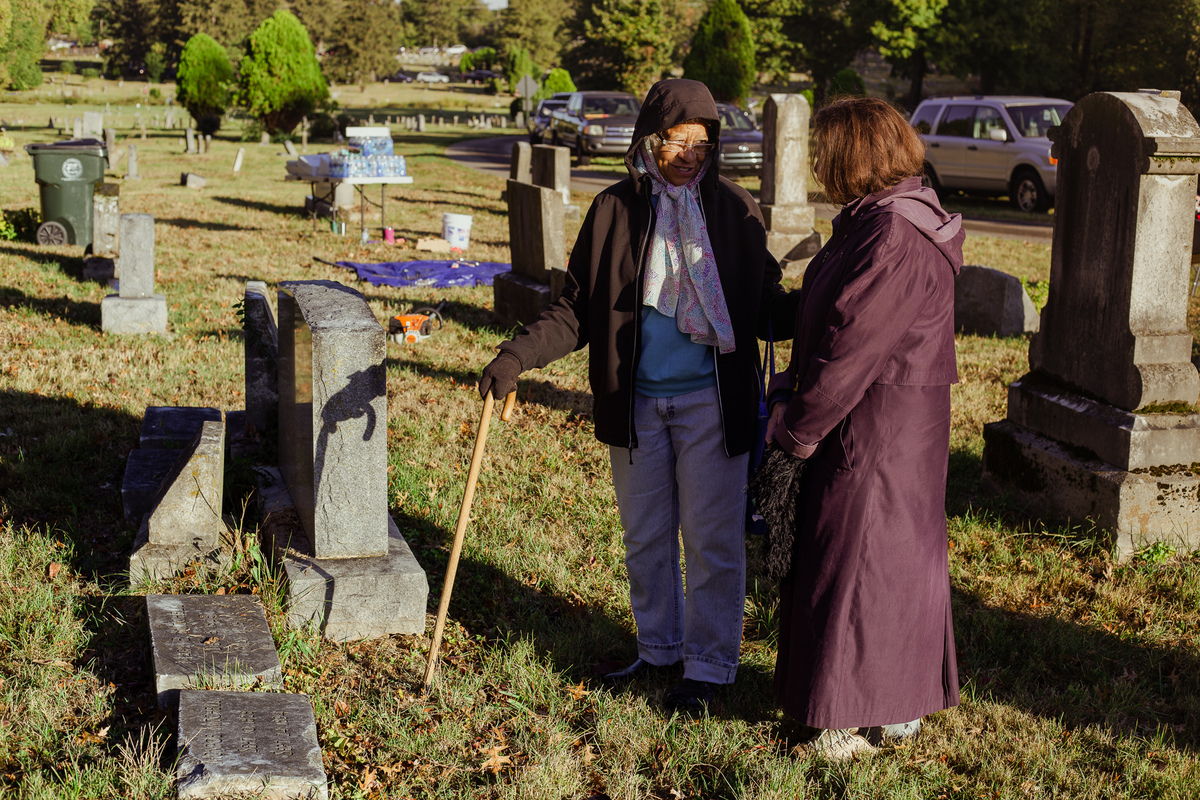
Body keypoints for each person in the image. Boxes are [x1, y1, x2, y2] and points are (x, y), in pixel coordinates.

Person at [479, 78, 792, 713]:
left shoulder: (736, 213)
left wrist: (833, 295)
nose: (689, 154)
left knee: (712, 542)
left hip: (712, 403)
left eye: (702, 144)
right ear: (649, 139)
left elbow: (767, 309)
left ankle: (710, 668)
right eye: (677, 140)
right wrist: (515, 357)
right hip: (636, 404)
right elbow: (576, 311)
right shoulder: (614, 211)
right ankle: (659, 651)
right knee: (646, 537)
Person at [762, 97, 962, 758]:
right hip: (889, 426)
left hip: (875, 431)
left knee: (857, 568)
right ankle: (893, 706)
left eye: (824, 152)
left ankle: (841, 722)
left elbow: (850, 350)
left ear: (854, 158)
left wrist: (795, 431)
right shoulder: (876, 222)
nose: (817, 163)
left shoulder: (893, 236)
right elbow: (834, 313)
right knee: (886, 566)